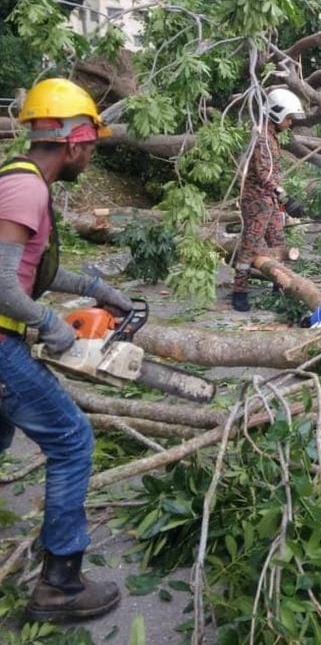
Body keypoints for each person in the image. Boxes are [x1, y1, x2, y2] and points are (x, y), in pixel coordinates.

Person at [0, 77, 133, 621]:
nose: (92, 156)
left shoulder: (22, 181)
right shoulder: (25, 188)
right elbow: (4, 286)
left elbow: (33, 271)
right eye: (92, 146)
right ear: (75, 142)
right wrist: (56, 327)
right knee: (73, 439)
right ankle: (59, 585)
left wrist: (96, 290)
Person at [232, 88, 306, 312]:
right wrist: (285, 197)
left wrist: (282, 200)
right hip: (256, 202)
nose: (291, 123)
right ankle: (239, 292)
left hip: (269, 201)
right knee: (250, 246)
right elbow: (265, 174)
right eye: (288, 118)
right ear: (276, 114)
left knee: (278, 241)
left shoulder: (270, 136)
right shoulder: (262, 139)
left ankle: (278, 284)